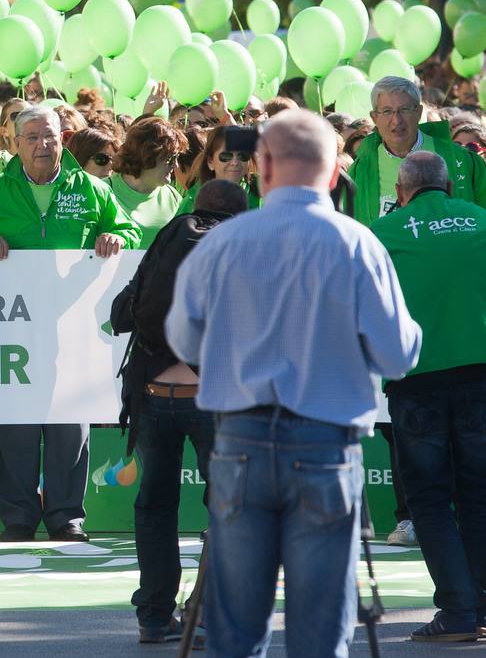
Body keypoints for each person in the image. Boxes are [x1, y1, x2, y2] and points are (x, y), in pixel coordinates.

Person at [165, 109, 422, 658]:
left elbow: (184, 341)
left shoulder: (221, 243)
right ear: (334, 176)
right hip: (324, 445)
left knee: (235, 627)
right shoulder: (358, 244)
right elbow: (397, 355)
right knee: (321, 628)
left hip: (240, 442)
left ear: (261, 169)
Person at [0, 105, 139, 543]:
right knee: (16, 424)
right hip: (13, 331)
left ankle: (67, 516)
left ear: (63, 139)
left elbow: (130, 233)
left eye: (49, 135)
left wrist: (116, 237)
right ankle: (18, 517)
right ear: (14, 143)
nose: (41, 145)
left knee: (71, 423)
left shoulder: (92, 190)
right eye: (30, 137)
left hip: (74, 330)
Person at [110, 179, 248, 644]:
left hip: (152, 393)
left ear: (195, 206)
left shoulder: (170, 236)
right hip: (213, 396)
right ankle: (206, 611)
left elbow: (122, 314)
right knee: (228, 505)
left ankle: (153, 615)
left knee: (154, 505)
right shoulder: (241, 246)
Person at [371, 152, 486, 642]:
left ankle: (460, 610)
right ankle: (477, 604)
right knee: (479, 495)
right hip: (480, 375)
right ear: (449, 188)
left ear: (401, 191)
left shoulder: (386, 233)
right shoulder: (481, 222)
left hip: (417, 382)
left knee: (431, 501)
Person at [350, 75, 486, 225]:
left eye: (404, 109)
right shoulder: (360, 170)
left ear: (419, 112)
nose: (396, 120)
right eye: (387, 111)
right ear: (375, 117)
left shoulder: (463, 160)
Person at [109, 116, 186, 249]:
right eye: (171, 158)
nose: (176, 166)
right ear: (147, 154)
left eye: (177, 158)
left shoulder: (173, 196)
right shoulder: (103, 189)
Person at [176, 125, 262, 215]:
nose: (235, 162)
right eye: (226, 156)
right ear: (210, 162)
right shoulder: (191, 203)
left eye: (243, 156)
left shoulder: (263, 195)